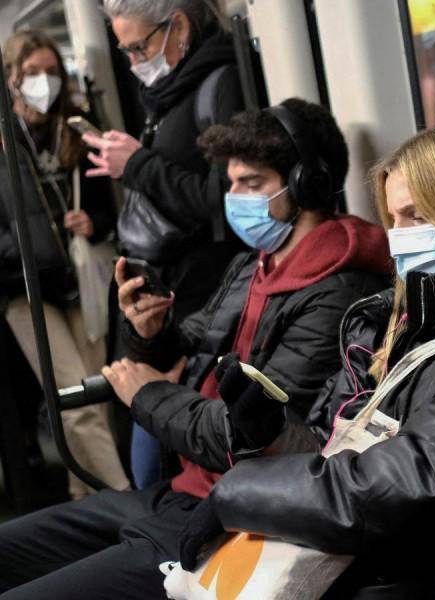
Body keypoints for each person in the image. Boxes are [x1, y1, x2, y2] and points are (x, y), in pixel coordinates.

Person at [174, 120, 435, 598]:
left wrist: (238, 493)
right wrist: (271, 434)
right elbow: (338, 452)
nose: (398, 238)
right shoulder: (405, 321)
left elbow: (396, 486)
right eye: (393, 219)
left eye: (416, 216)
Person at [0, 98, 394, 598]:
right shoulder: (254, 264)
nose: (235, 198)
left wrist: (147, 394)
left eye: (251, 183)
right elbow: (190, 344)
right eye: (231, 184)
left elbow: (250, 435)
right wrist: (148, 332)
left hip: (229, 515)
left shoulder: (338, 293)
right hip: (177, 492)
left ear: (306, 185)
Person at [86, 0, 247, 487]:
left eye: (140, 47)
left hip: (207, 300)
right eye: (126, 52)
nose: (136, 63)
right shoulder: (166, 97)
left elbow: (224, 200)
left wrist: (137, 165)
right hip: (170, 306)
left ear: (177, 26)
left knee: (162, 463)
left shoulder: (219, 85)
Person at [0, 29, 130, 499]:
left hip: (80, 280)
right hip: (25, 288)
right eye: (32, 72)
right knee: (74, 399)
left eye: (51, 71)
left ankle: (84, 498)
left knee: (96, 394)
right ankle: (125, 497)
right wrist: (25, 248)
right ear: (11, 78)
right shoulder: (3, 138)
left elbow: (110, 204)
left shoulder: (76, 128)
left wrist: (93, 223)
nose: (43, 81)